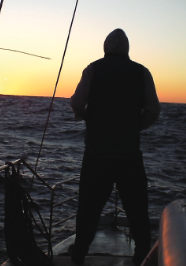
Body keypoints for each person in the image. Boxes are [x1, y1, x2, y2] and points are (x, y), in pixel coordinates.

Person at [69, 28, 161, 265]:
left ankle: (78, 255)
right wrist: (134, 126)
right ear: (127, 50)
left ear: (105, 48)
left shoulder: (92, 69)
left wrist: (86, 116)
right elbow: (153, 110)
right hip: (129, 155)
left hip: (96, 156)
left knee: (89, 210)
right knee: (137, 210)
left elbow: (77, 102)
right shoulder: (142, 72)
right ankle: (141, 255)